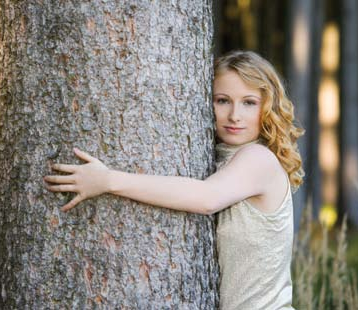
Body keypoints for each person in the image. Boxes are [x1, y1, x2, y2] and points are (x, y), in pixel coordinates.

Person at [43, 50, 304, 310]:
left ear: (268, 106)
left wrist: (108, 180)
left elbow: (206, 198)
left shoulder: (259, 159)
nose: (234, 115)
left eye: (249, 102)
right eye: (223, 100)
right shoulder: (219, 157)